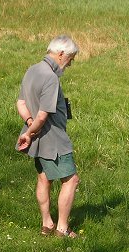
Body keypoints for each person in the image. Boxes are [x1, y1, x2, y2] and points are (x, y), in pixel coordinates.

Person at [15, 35, 80, 238]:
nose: (69, 64)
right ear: (61, 54)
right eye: (70, 59)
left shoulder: (32, 70)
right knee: (71, 180)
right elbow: (43, 115)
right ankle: (62, 228)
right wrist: (31, 131)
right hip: (54, 139)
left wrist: (28, 127)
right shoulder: (51, 78)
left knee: (44, 179)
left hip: (37, 138)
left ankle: (46, 224)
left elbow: (21, 103)